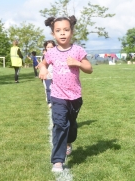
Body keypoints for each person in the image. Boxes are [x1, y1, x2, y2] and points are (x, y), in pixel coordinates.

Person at [37, 16, 93, 172]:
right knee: (60, 125)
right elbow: (43, 62)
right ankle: (57, 161)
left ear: (72, 32)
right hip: (58, 96)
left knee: (71, 126)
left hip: (75, 97)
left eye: (66, 30)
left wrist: (78, 63)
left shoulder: (77, 50)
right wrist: (42, 68)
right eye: (58, 31)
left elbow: (89, 68)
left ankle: (69, 142)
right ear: (53, 34)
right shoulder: (52, 52)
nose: (62, 33)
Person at [42, 40, 56, 108]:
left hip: (56, 74)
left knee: (55, 88)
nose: (50, 49)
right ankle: (49, 101)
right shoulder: (45, 56)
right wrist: (46, 72)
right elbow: (43, 65)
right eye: (48, 47)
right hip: (48, 74)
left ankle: (55, 100)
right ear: (45, 48)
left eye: (52, 47)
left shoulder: (57, 55)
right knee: (48, 88)